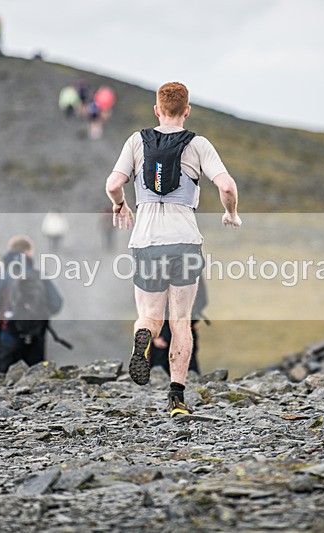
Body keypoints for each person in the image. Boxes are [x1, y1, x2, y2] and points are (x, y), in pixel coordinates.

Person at [105, 81, 241, 417]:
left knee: (150, 315)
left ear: (157, 110)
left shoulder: (137, 141)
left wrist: (120, 205)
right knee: (180, 320)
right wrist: (231, 213)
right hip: (184, 240)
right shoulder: (198, 145)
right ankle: (177, 398)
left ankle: (143, 336)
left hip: (147, 240)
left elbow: (112, 184)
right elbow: (226, 185)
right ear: (187, 111)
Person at [0, 235, 63, 372]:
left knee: (5, 382)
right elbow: (57, 304)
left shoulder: (3, 276)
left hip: (9, 335)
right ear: (29, 253)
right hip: (36, 337)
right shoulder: (40, 275)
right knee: (36, 381)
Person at [149, 279, 208, 376]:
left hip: (165, 328)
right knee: (188, 368)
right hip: (179, 326)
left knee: (160, 370)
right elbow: (202, 299)